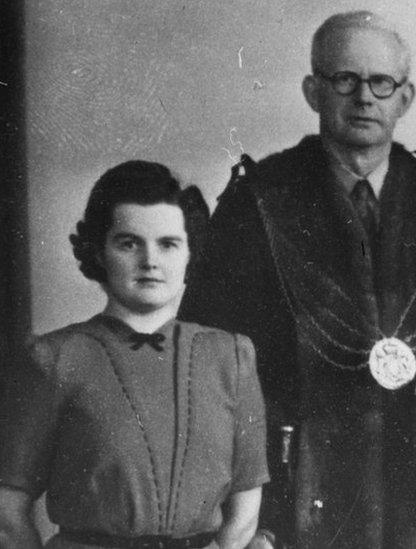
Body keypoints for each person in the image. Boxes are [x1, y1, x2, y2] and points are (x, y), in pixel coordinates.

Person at [179, 11, 416, 548]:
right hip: (293, 482)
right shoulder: (257, 202)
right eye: (344, 79)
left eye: (382, 82)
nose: (364, 98)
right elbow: (209, 357)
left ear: (405, 97)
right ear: (313, 90)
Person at [0, 161, 268, 549]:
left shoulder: (232, 357)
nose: (150, 261)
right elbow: (7, 511)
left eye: (168, 243)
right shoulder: (53, 358)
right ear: (98, 252)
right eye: (128, 243)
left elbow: (245, 512)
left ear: (191, 253)